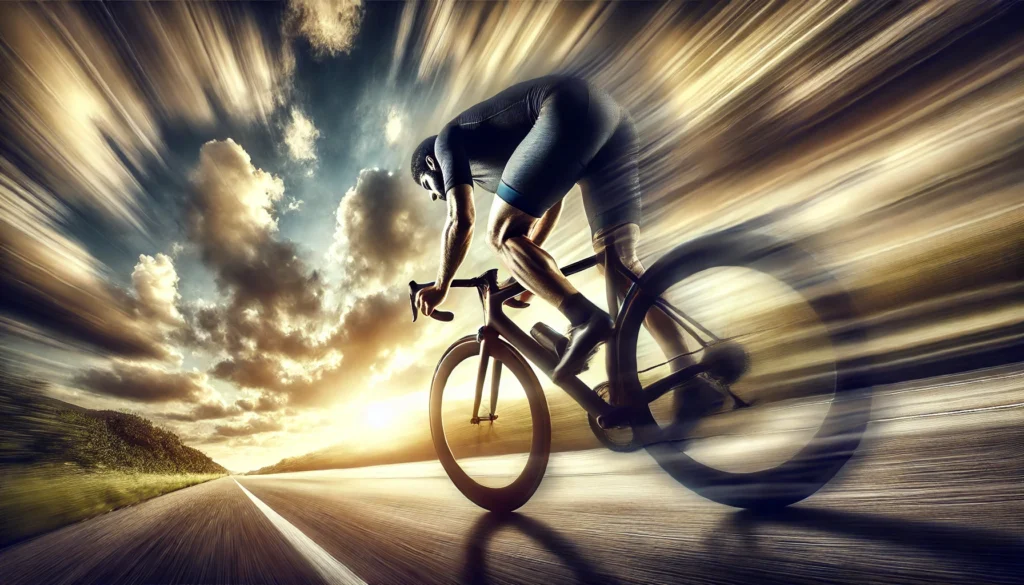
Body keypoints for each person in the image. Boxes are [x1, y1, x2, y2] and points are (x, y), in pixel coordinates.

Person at [410, 75, 721, 423]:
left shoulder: (446, 143)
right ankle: (690, 378)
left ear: (432, 165)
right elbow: (549, 203)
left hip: (564, 107)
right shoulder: (493, 163)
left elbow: (461, 219)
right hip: (611, 122)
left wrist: (440, 287)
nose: (435, 196)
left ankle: (585, 319)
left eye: (428, 186)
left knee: (497, 234)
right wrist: (532, 275)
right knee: (617, 261)